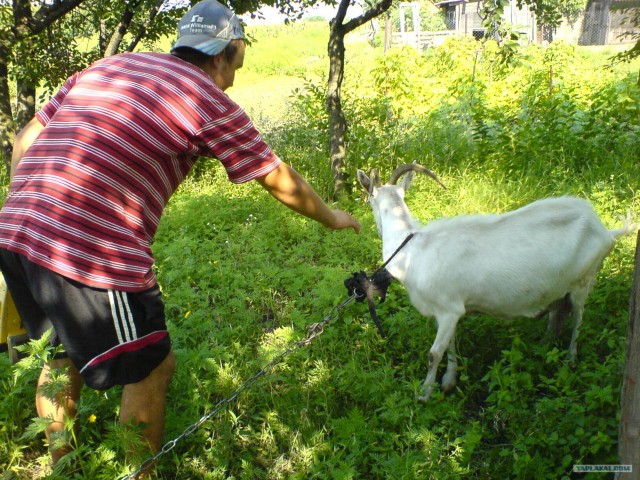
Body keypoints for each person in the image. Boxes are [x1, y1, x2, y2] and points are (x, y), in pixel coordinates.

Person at [0, 0, 360, 474]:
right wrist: (331, 217)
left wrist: (29, 208)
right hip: (90, 250)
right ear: (221, 54)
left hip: (15, 228)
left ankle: (64, 466)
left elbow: (26, 139)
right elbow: (275, 177)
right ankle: (138, 474)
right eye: (237, 64)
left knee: (61, 353)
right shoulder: (207, 98)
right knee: (152, 368)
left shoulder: (110, 66)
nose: (233, 79)